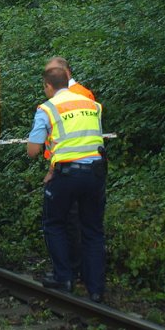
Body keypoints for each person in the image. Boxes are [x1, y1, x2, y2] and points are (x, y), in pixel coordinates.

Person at [27, 66, 106, 303]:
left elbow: (33, 151)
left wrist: (50, 166)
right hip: (95, 173)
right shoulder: (92, 105)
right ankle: (96, 289)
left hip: (66, 175)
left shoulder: (47, 109)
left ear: (48, 86)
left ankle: (65, 277)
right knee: (92, 229)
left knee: (54, 223)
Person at [43, 56, 96, 281]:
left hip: (73, 167)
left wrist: (54, 168)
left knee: (71, 221)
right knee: (70, 220)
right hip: (68, 166)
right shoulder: (66, 95)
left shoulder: (80, 95)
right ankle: (76, 271)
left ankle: (73, 270)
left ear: (64, 73)